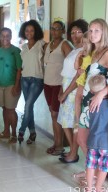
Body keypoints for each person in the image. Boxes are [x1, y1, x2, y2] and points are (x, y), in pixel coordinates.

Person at [76, 18, 108, 184]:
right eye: (91, 30)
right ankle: (92, 171)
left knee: (95, 142)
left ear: (104, 33)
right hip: (88, 101)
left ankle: (95, 174)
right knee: (82, 139)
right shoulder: (94, 52)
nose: (93, 34)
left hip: (98, 104)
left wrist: (102, 94)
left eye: (97, 31)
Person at [56, 19, 89, 162]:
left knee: (73, 123)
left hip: (73, 89)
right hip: (66, 86)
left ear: (85, 33)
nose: (75, 35)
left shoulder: (84, 51)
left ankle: (73, 153)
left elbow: (79, 75)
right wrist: (61, 90)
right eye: (72, 32)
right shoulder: (75, 50)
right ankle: (72, 150)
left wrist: (65, 92)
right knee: (65, 122)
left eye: (78, 32)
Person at [83, 74, 108, 192]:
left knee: (90, 165)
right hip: (106, 143)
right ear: (105, 87)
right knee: (103, 167)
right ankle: (98, 188)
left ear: (92, 91)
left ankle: (88, 188)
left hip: (93, 140)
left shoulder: (90, 103)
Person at [44, 21, 72, 155]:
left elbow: (72, 64)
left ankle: (60, 145)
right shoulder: (48, 44)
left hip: (58, 84)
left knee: (56, 114)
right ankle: (56, 143)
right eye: (52, 29)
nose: (54, 31)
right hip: (47, 84)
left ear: (63, 30)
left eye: (57, 29)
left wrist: (63, 86)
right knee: (52, 113)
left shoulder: (65, 44)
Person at [17, 19, 45, 144]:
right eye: (27, 30)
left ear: (36, 31)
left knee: (27, 105)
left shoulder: (42, 44)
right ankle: (33, 133)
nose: (29, 32)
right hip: (24, 79)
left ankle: (21, 131)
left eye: (32, 30)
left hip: (37, 79)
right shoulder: (23, 47)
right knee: (29, 106)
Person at [0, 27, 22, 143]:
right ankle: (6, 132)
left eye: (7, 35)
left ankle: (14, 133)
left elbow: (19, 70)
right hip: (0, 84)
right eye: (3, 36)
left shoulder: (15, 51)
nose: (5, 38)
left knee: (11, 110)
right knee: (4, 109)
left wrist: (16, 86)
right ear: (0, 37)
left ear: (11, 37)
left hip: (11, 84)